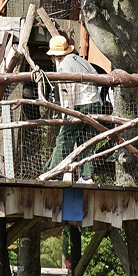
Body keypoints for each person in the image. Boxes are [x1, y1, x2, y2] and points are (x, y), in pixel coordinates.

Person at [44, 35, 104, 183]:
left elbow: (71, 87)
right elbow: (97, 77)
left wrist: (70, 111)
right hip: (95, 103)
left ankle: (53, 174)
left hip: (79, 105)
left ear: (55, 56)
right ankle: (87, 177)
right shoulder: (81, 60)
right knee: (87, 141)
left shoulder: (64, 64)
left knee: (65, 139)